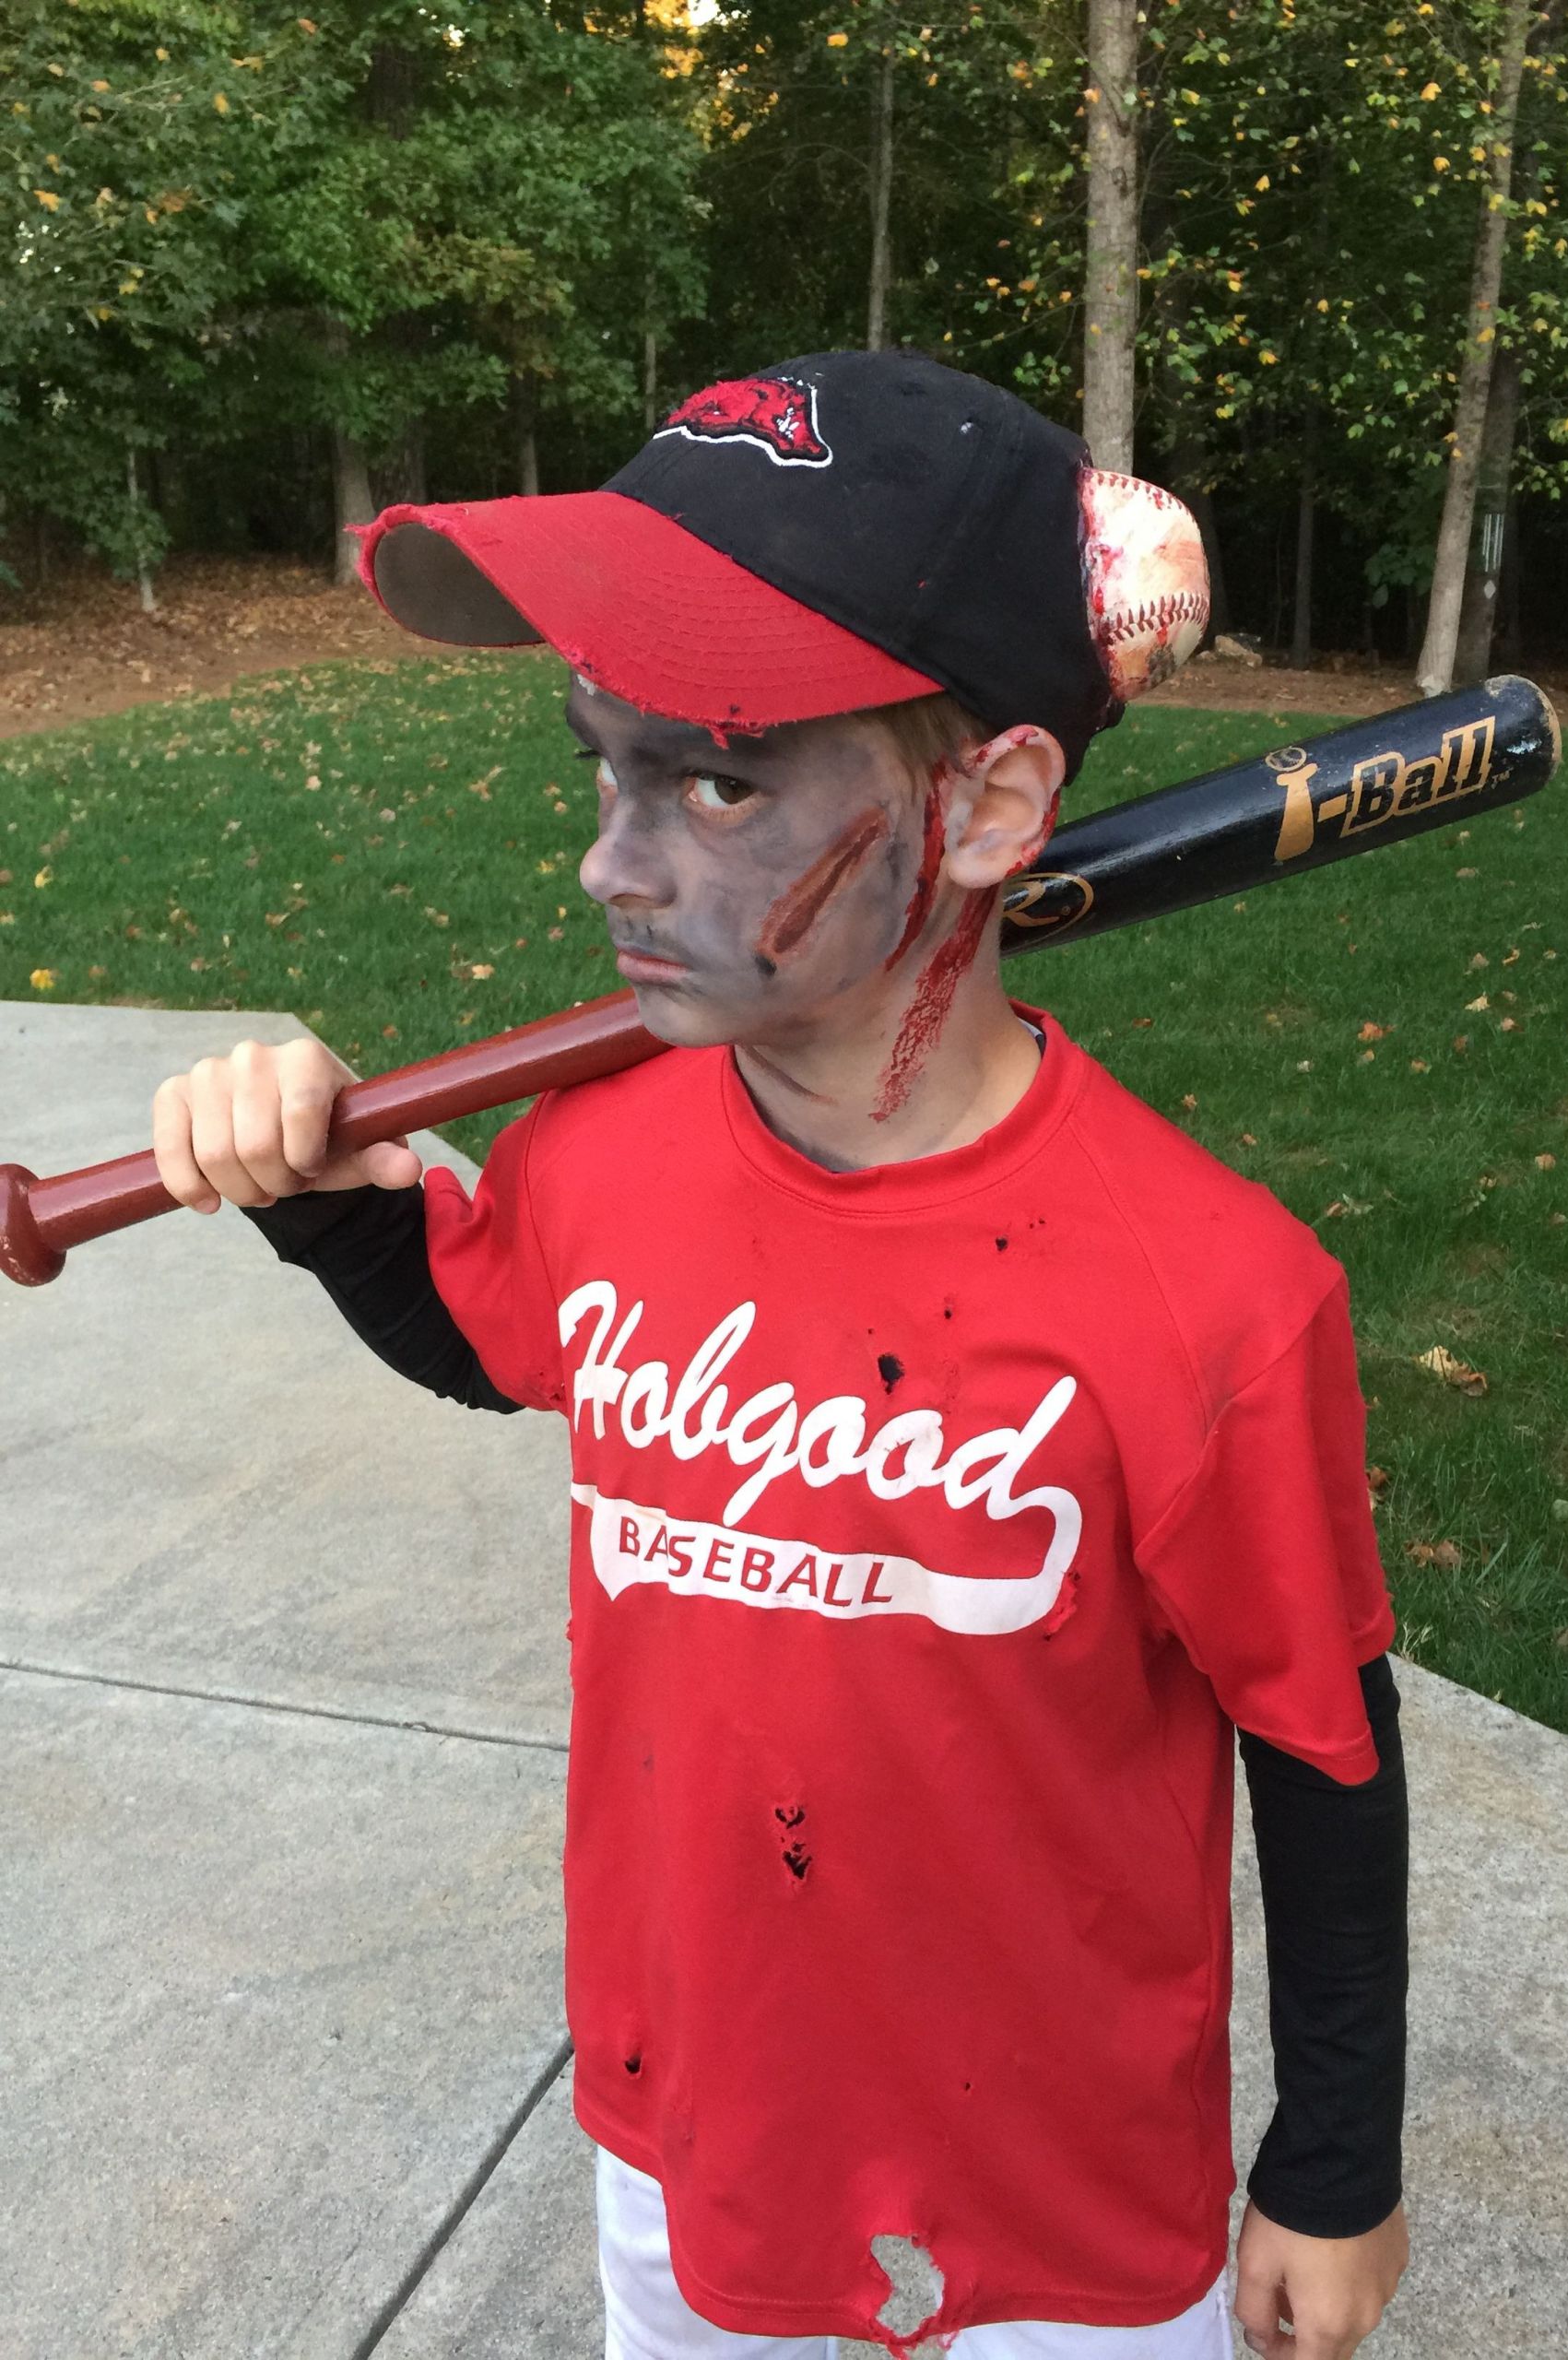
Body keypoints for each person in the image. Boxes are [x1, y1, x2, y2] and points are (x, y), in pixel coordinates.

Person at [151, 351, 1410, 2360]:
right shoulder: (604, 1152)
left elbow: (1325, 1747)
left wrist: (1336, 2153)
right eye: (604, 761)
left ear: (992, 803)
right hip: (690, 2135)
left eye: (719, 779)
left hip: (1063, 2216)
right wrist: (331, 1199)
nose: (612, 864)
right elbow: (509, 1346)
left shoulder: (1212, 1295)